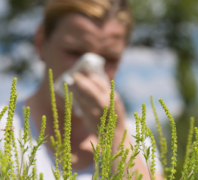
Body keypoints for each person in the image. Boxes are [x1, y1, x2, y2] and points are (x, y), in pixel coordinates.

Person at [0, 0, 163, 179]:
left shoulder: (133, 137)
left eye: (109, 58)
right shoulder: (5, 129)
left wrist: (115, 138)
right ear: (41, 42)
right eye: (74, 52)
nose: (88, 71)